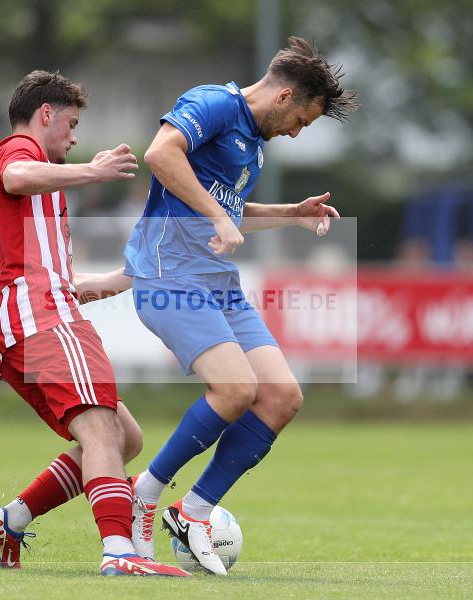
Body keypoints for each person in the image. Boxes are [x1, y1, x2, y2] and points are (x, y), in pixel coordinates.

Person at [124, 37, 356, 574]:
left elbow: (228, 206)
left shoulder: (252, 139)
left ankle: (195, 509)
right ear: (284, 97)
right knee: (235, 388)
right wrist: (218, 217)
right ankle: (146, 492)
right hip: (168, 273)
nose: (298, 132)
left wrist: (291, 213)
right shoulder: (214, 104)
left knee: (281, 396)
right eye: (302, 119)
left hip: (215, 281)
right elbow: (160, 155)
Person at [0, 70, 189, 576]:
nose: (74, 137)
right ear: (44, 114)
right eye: (70, 124)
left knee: (124, 437)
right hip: (38, 319)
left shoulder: (42, 181)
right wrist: (93, 171)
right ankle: (120, 552)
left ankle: (12, 518)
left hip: (31, 319)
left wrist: (133, 276)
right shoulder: (19, 152)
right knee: (99, 427)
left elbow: (65, 281)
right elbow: (15, 176)